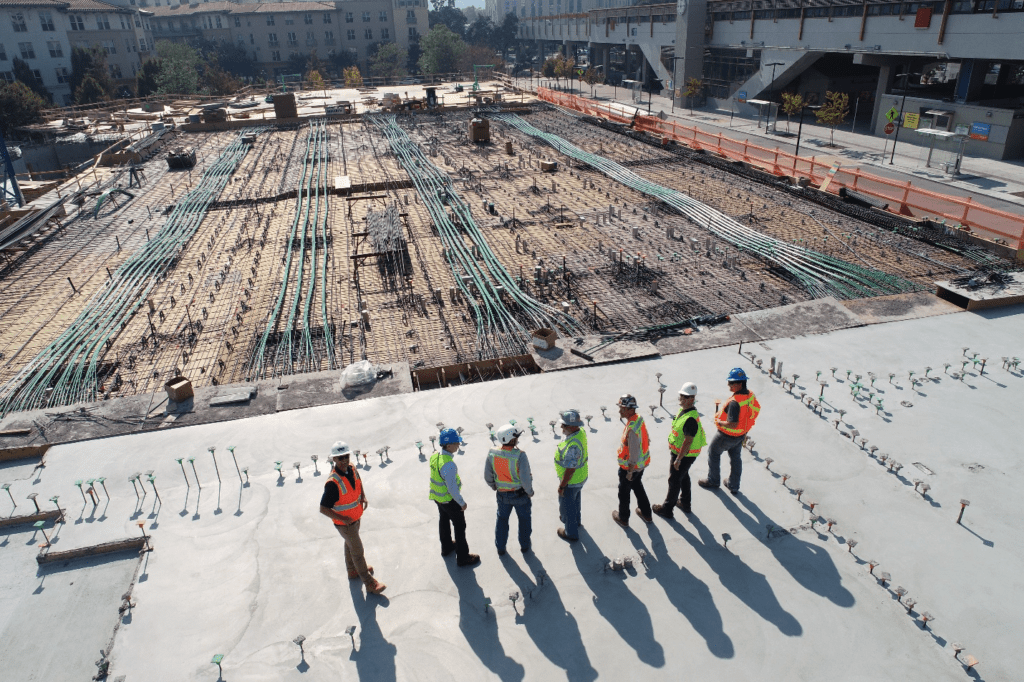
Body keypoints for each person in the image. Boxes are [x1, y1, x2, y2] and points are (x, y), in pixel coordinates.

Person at [319, 441, 386, 595]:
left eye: (346, 456)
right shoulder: (332, 483)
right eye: (340, 458)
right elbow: (323, 508)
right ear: (334, 459)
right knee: (357, 550)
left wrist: (363, 496)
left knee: (350, 544)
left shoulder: (352, 468)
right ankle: (370, 584)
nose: (344, 460)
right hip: (345, 524)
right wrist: (343, 519)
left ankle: (352, 571)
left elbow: (358, 482)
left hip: (355, 518)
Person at [699, 368, 761, 495]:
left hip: (726, 436)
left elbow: (732, 423)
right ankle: (734, 485)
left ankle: (713, 480)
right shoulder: (750, 395)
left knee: (713, 454)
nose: (729, 386)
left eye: (730, 383)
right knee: (736, 459)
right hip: (741, 435)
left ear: (738, 384)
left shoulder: (734, 403)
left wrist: (718, 421)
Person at [653, 382, 706, 519]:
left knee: (674, 480)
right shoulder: (685, 411)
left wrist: (678, 459)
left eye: (684, 397)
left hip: (684, 455)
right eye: (681, 396)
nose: (681, 399)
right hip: (683, 454)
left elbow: (688, 441)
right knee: (683, 476)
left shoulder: (690, 419)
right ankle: (685, 502)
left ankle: (667, 509)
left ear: (692, 399)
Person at [429, 428, 480, 567]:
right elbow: (452, 489)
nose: (458, 445)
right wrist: (461, 503)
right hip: (449, 500)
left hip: (437, 498)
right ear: (449, 445)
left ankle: (446, 547)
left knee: (444, 521)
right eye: (456, 443)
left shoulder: (435, 456)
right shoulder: (449, 465)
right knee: (460, 526)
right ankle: (463, 557)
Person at [484, 423, 534, 555]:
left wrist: (494, 486)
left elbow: (487, 475)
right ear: (512, 440)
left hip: (502, 495)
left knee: (502, 520)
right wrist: (530, 492)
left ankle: (500, 548)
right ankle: (524, 545)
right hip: (520, 495)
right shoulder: (520, 455)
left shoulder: (492, 452)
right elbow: (525, 479)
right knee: (524, 520)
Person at [612, 394, 653, 527]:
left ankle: (623, 518)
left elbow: (634, 454)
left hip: (630, 469)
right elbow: (646, 436)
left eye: (622, 408)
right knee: (638, 487)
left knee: (624, 493)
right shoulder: (638, 419)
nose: (619, 410)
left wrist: (629, 472)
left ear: (630, 410)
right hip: (641, 466)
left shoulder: (632, 429)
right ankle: (646, 513)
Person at [554, 409, 588, 542]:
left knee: (567, 506)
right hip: (580, 478)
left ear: (573, 426)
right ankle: (576, 522)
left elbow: (570, 469)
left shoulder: (572, 447)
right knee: (575, 501)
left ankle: (571, 533)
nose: (561, 427)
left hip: (571, 481)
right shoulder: (581, 432)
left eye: (564, 425)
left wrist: (562, 486)